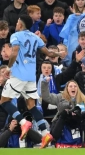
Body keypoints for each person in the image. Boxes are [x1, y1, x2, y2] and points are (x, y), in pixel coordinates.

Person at [0, 15, 62, 147]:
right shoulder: (35, 37)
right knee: (31, 106)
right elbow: (49, 53)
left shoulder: (16, 36)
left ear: (20, 24)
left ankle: (23, 123)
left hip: (18, 75)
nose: (16, 24)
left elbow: (14, 52)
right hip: (31, 77)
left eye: (17, 22)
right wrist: (59, 54)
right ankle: (45, 134)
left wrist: (8, 68)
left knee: (4, 101)